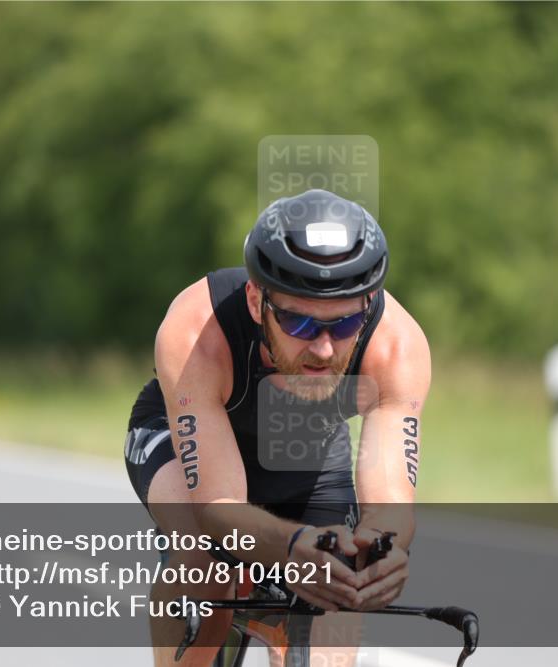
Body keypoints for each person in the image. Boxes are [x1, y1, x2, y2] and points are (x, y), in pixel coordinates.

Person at [124, 188, 431, 665]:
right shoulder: (196, 329)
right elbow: (217, 506)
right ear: (255, 300)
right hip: (182, 438)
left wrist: (383, 550)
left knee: (337, 583)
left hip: (308, 447)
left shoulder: (397, 346)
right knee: (208, 559)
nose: (324, 349)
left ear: (369, 304)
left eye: (345, 325)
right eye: (300, 324)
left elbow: (390, 502)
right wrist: (286, 547)